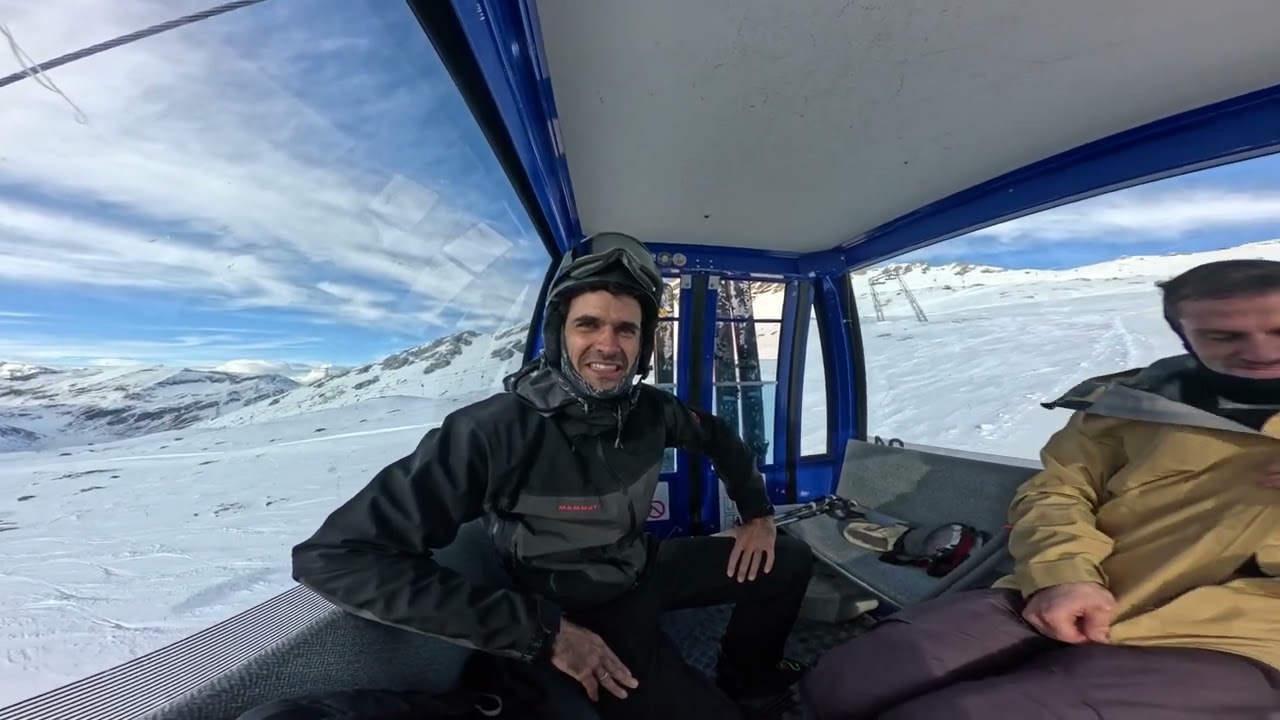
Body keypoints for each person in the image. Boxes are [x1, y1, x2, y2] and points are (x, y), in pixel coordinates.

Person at [291, 232, 815, 719]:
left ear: (641, 346)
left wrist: (757, 515)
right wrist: (543, 632)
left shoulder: (651, 411)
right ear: (558, 334)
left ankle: (749, 678)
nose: (608, 344)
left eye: (625, 329)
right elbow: (335, 558)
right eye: (588, 324)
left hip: (644, 567)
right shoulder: (495, 431)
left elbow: (719, 436)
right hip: (570, 611)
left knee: (789, 558)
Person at [800, 258, 1280, 719]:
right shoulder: (1135, 407)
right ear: (1186, 337)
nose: (1261, 351)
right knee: (847, 680)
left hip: (1234, 637)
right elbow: (1056, 491)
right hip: (1068, 585)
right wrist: (1062, 573)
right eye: (1223, 336)